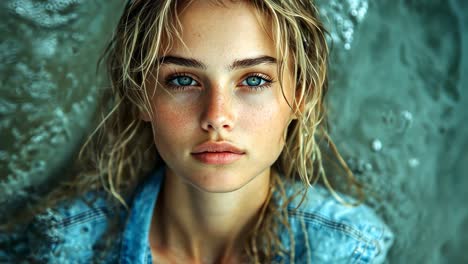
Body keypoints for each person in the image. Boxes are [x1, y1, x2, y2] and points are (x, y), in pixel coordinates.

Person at [1, 0, 394, 263]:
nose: (216, 116)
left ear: (301, 95)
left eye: (254, 80)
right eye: (184, 80)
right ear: (141, 95)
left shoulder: (347, 247)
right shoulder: (65, 245)